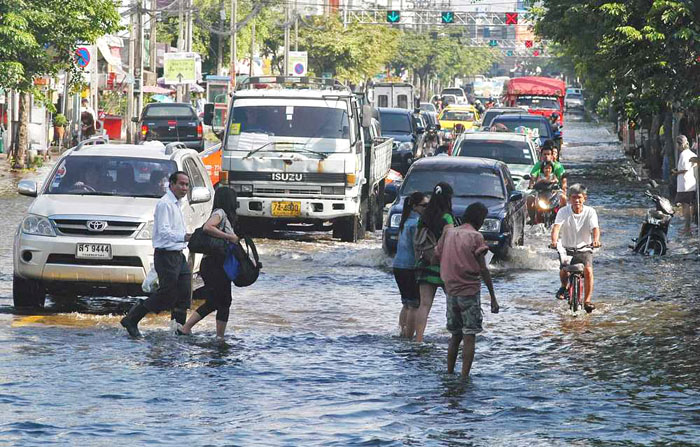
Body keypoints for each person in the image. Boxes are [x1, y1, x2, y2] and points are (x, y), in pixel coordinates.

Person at [120, 171, 192, 337]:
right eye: (181, 184)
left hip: (178, 254)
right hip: (166, 256)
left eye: (187, 185)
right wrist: (185, 236)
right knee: (167, 294)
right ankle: (132, 318)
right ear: (171, 185)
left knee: (184, 292)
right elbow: (164, 232)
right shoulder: (165, 204)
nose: (184, 188)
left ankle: (179, 329)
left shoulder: (178, 204)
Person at [436, 202, 499, 377]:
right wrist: (493, 296)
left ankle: (449, 373)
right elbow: (483, 269)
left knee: (455, 336)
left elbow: (436, 255)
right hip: (469, 292)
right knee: (469, 335)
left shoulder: (449, 233)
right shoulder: (475, 237)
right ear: (479, 219)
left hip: (451, 292)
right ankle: (464, 376)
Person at [179, 187, 240, 340]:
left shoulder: (224, 215)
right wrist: (228, 236)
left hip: (216, 264)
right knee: (221, 300)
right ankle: (214, 336)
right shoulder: (220, 213)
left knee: (220, 301)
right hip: (214, 264)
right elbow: (207, 227)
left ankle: (195, 330)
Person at [550, 184, 601, 313]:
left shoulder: (590, 212)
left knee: (588, 271)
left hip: (585, 248)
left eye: (579, 197)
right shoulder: (563, 211)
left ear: (584, 198)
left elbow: (595, 228)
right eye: (574, 197)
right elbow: (556, 227)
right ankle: (563, 286)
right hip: (566, 247)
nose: (576, 201)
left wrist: (595, 240)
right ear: (569, 199)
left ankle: (587, 301)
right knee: (563, 268)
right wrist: (554, 241)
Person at [414, 182, 455, 343]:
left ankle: (418, 339)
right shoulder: (447, 217)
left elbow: (418, 240)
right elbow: (450, 241)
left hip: (425, 263)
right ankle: (455, 337)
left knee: (424, 304)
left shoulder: (424, 217)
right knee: (452, 304)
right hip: (443, 266)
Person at [392, 192, 428, 339]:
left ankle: (402, 333)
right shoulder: (416, 223)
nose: (427, 208)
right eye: (424, 205)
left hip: (398, 266)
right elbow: (417, 247)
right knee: (414, 304)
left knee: (406, 303)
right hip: (409, 267)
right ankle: (408, 338)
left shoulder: (405, 221)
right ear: (415, 207)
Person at [528, 142, 567, 221]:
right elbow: (533, 177)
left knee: (564, 198)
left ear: (552, 155)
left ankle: (563, 218)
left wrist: (564, 189)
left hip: (554, 191)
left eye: (548, 154)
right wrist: (531, 185)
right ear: (541, 155)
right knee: (529, 199)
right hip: (540, 191)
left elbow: (563, 179)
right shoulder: (538, 165)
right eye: (544, 154)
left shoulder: (558, 166)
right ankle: (532, 219)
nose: (546, 156)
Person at [671, 135, 697, 235]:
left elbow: (685, 169)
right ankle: (687, 227)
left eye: (677, 145)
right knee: (686, 206)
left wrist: (675, 172)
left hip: (685, 184)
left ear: (679, 144)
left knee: (685, 206)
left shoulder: (684, 154)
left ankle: (687, 228)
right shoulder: (690, 153)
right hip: (689, 183)